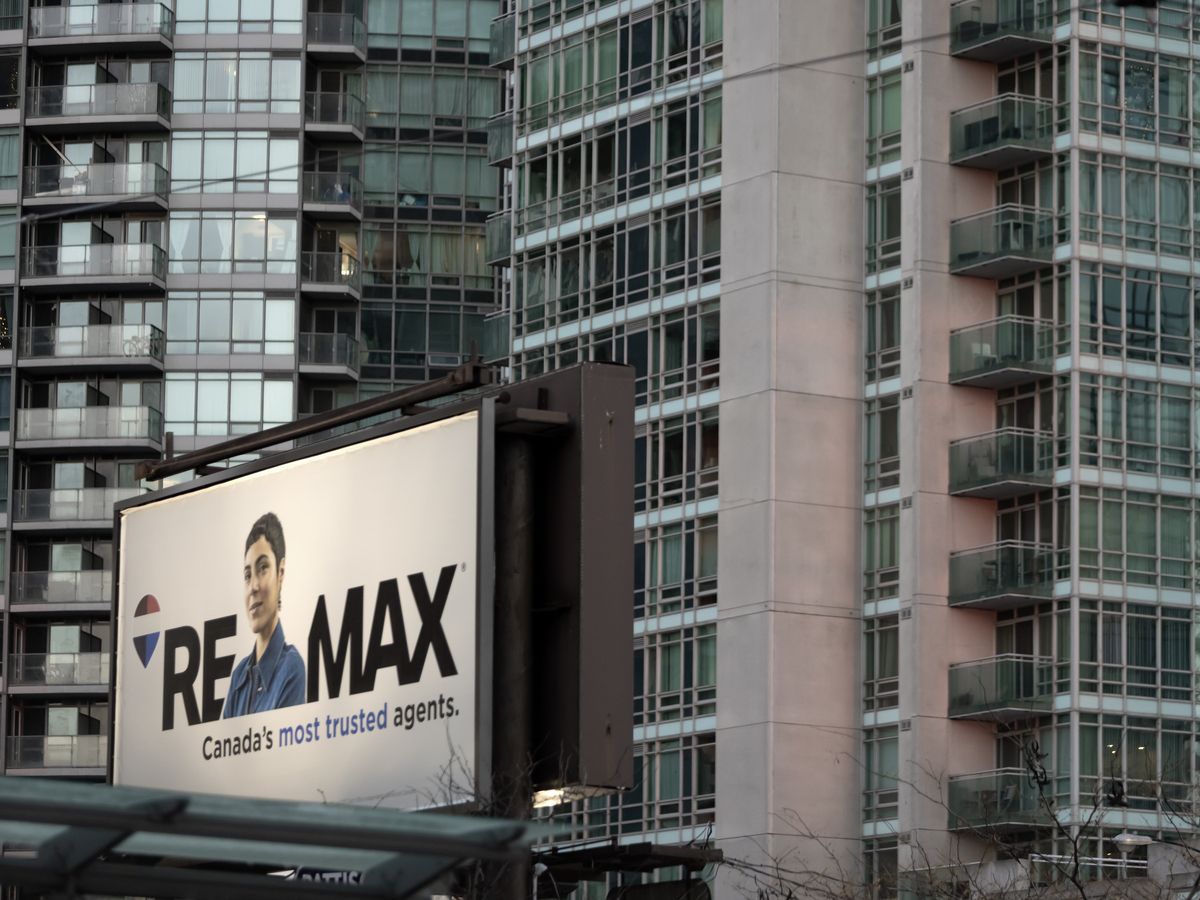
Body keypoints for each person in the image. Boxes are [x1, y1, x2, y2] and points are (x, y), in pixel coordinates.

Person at [222, 512, 305, 718]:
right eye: (247, 575)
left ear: (280, 573)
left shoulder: (291, 668)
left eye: (263, 568)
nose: (253, 586)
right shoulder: (238, 677)